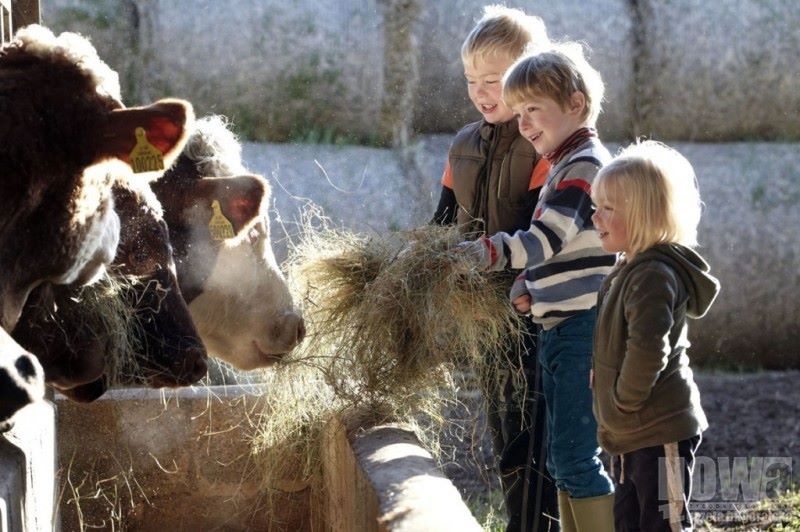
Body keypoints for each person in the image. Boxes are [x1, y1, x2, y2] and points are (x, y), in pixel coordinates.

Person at [459, 43, 617, 531]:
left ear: (575, 104)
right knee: (559, 455)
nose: (523, 123)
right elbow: (570, 248)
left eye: (534, 110)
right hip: (559, 324)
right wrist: (530, 283)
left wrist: (489, 253)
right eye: (519, 111)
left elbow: (546, 237)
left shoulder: (584, 165)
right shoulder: (566, 161)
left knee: (573, 456)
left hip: (581, 327)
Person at [430, 5, 557, 531]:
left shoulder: (544, 147)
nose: (482, 93)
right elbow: (442, 221)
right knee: (504, 427)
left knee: (535, 432)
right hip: (484, 316)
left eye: (495, 82)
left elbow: (540, 229)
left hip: (532, 310)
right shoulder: (462, 145)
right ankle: (520, 521)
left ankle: (537, 524)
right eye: (471, 82)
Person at [590, 140, 719, 531]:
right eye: (596, 206)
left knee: (663, 523)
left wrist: (624, 399)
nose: (595, 217)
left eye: (608, 209)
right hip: (630, 431)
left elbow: (648, 348)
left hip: (657, 427)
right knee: (629, 520)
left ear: (644, 216)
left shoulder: (652, 275)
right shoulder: (629, 269)